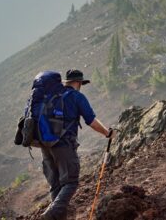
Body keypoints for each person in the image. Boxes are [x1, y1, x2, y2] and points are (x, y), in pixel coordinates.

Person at [41, 69, 115, 220]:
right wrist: (107, 133)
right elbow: (92, 122)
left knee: (56, 185)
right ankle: (51, 213)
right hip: (63, 145)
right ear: (78, 82)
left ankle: (56, 216)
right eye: (81, 83)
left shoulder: (51, 95)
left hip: (45, 145)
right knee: (70, 182)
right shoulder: (77, 97)